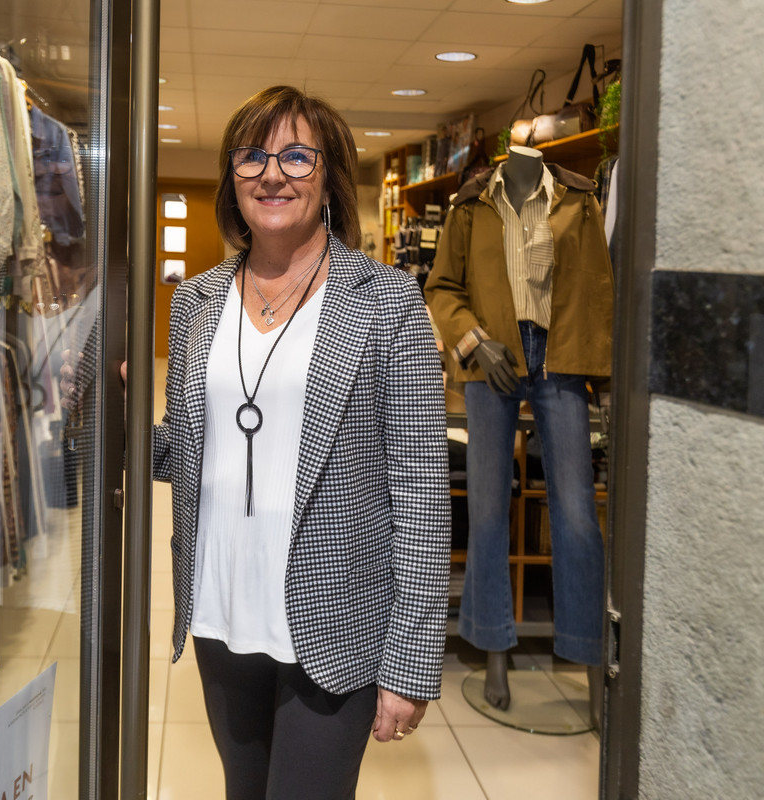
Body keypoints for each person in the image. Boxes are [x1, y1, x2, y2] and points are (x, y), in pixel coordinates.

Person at [151, 86, 450, 799]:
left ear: (329, 176)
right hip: (221, 610)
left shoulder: (386, 301)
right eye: (252, 155)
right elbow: (192, 456)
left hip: (333, 621)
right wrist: (116, 423)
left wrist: (409, 662)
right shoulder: (194, 303)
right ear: (232, 176)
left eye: (295, 154)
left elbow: (419, 490)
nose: (271, 173)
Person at [426, 146, 612, 711]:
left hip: (562, 356)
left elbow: (600, 290)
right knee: (487, 510)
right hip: (494, 359)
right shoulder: (470, 206)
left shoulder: (579, 200)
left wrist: (603, 381)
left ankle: (589, 653)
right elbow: (442, 287)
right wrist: (475, 343)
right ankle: (493, 648)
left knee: (577, 510)